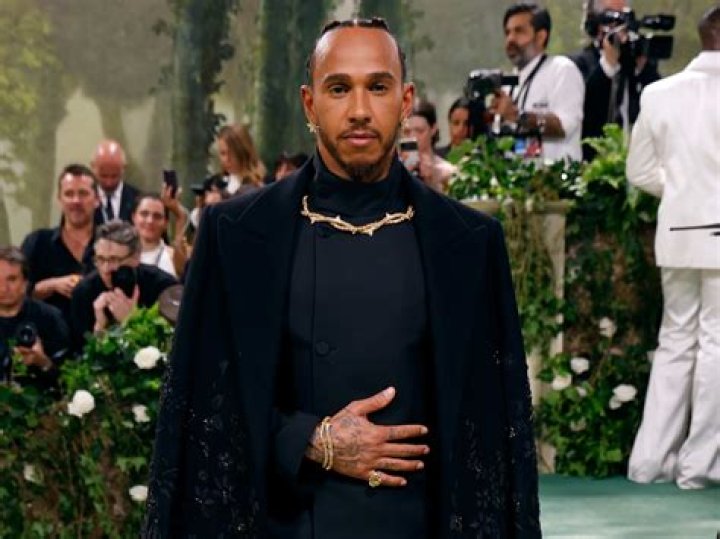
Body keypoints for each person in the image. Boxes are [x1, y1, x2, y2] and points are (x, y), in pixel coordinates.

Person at [143, 17, 539, 538]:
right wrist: (310, 439)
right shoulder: (236, 235)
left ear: (405, 100)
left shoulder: (469, 243)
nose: (358, 110)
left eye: (378, 86)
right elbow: (203, 407)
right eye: (338, 88)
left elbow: (495, 429)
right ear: (310, 104)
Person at [626, 5, 720, 491]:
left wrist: (683, 191)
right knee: (716, 343)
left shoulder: (658, 94)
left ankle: (650, 463)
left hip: (678, 230)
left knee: (675, 341)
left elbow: (639, 172)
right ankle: (700, 467)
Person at [490, 2, 585, 162]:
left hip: (557, 175)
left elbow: (564, 127)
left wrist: (518, 116)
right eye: (507, 32)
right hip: (517, 175)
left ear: (541, 37)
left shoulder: (561, 69)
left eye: (519, 31)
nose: (510, 39)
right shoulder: (508, 84)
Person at [570, 0, 661, 161]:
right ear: (594, 23)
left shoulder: (632, 63)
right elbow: (585, 110)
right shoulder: (577, 64)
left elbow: (658, 105)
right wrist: (608, 65)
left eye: (624, 18)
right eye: (612, 18)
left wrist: (642, 69)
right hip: (591, 161)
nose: (620, 26)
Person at [69, 221, 177, 349]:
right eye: (100, 259)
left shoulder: (164, 287)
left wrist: (131, 320)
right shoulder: (83, 292)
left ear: (136, 257)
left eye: (114, 259)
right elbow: (80, 355)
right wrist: (99, 330)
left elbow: (170, 347)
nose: (105, 269)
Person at [21, 164, 98, 321]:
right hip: (45, 333)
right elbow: (15, 292)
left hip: (101, 333)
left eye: (83, 193)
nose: (76, 201)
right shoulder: (37, 243)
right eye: (69, 194)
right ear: (59, 200)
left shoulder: (111, 245)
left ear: (97, 199)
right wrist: (52, 285)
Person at [0, 247, 70, 392]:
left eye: (11, 279)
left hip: (43, 401)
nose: (3, 288)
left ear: (25, 283)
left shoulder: (50, 318)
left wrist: (43, 362)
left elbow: (69, 380)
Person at [401, 100, 457, 193]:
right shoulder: (392, 170)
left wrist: (432, 182)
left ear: (433, 129)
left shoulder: (447, 171)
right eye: (407, 132)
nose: (413, 137)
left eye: (419, 131)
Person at [131, 191, 188, 279]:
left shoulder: (172, 257)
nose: (150, 221)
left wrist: (180, 216)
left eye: (157, 216)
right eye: (144, 214)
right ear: (134, 217)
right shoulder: (120, 255)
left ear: (166, 223)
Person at [91, 140, 141, 225]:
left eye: (114, 176)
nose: (109, 183)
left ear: (124, 168)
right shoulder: (83, 200)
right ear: (93, 168)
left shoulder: (138, 200)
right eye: (103, 176)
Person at [216, 124, 267, 195]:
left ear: (243, 152)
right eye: (223, 153)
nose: (226, 159)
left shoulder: (254, 189)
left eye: (232, 153)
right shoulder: (221, 185)